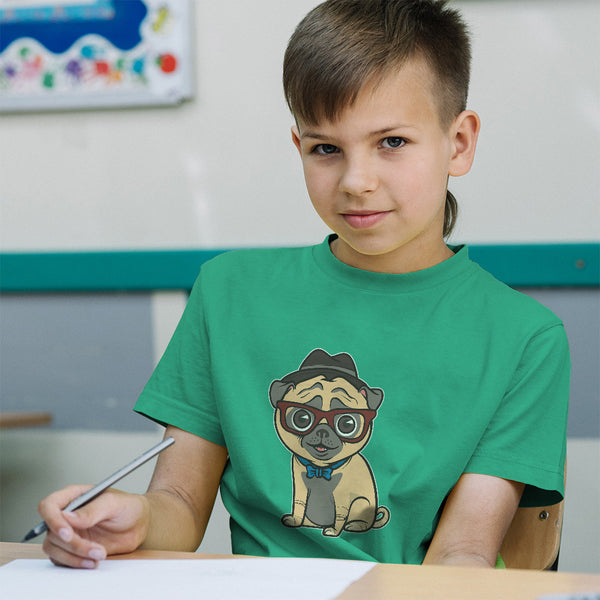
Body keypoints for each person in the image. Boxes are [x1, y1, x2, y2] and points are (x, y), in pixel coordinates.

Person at [38, 0, 569, 570]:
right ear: (300, 148)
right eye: (326, 148)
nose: (355, 181)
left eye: (391, 142)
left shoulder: (525, 338)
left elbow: (463, 552)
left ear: (458, 143)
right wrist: (135, 518)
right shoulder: (228, 293)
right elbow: (180, 505)